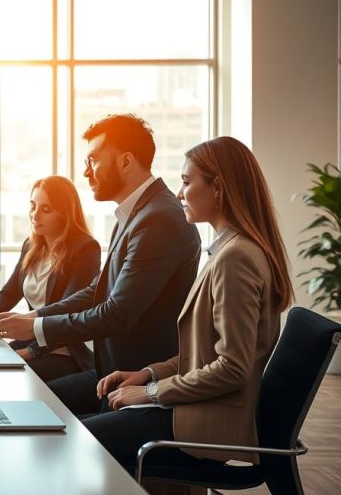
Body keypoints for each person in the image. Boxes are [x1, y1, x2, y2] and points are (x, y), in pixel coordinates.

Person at [83, 136, 293, 478]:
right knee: (79, 428)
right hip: (193, 409)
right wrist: (149, 374)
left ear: (218, 188)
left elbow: (231, 367)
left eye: (185, 182)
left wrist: (150, 393)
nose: (179, 193)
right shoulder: (228, 252)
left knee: (75, 440)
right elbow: (204, 355)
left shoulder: (236, 258)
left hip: (202, 424)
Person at [0, 114, 200, 416]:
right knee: (29, 403)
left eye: (93, 160)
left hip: (139, 382)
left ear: (125, 162)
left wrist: (37, 327)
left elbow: (116, 313)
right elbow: (98, 290)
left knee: (38, 418)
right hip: (111, 372)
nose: (86, 172)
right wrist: (35, 316)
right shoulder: (133, 214)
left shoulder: (159, 219)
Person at [0, 176, 100, 381]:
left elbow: (69, 310)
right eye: (33, 206)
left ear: (64, 213)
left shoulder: (85, 249)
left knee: (2, 376)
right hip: (29, 339)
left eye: (46, 209)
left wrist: (31, 352)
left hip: (63, 350)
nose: (35, 215)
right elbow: (9, 292)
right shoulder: (31, 245)